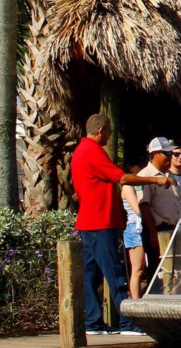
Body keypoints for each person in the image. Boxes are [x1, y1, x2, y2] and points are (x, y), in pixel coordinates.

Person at [68, 113, 159, 335]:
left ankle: (93, 321)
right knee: (115, 273)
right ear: (100, 131)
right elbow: (122, 178)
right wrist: (155, 179)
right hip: (100, 221)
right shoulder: (92, 151)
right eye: (109, 131)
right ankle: (127, 322)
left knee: (91, 274)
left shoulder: (81, 151)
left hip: (91, 221)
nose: (110, 135)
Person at [139, 137, 181, 293]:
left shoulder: (170, 175)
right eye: (167, 153)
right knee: (163, 274)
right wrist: (152, 233)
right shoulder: (145, 175)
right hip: (160, 231)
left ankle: (175, 308)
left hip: (175, 230)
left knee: (178, 274)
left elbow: (179, 204)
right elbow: (144, 205)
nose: (170, 157)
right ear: (155, 154)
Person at [121, 162, 147, 300]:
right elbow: (138, 209)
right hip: (135, 227)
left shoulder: (140, 185)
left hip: (144, 226)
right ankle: (135, 301)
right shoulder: (127, 186)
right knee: (137, 269)